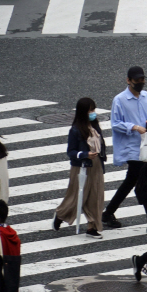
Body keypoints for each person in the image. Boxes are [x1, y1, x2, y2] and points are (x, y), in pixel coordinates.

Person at [105, 66, 147, 230]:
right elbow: (116, 124)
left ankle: (108, 212)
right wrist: (134, 127)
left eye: (142, 79)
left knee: (132, 182)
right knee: (142, 183)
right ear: (128, 81)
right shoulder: (120, 100)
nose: (140, 83)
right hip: (133, 148)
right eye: (137, 80)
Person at [55, 98, 107, 237]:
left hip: (96, 166)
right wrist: (84, 154)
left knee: (96, 197)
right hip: (81, 167)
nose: (93, 113)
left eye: (94, 109)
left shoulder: (95, 127)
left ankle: (92, 227)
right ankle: (60, 215)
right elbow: (70, 152)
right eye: (90, 110)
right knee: (76, 197)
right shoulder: (75, 130)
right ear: (83, 112)